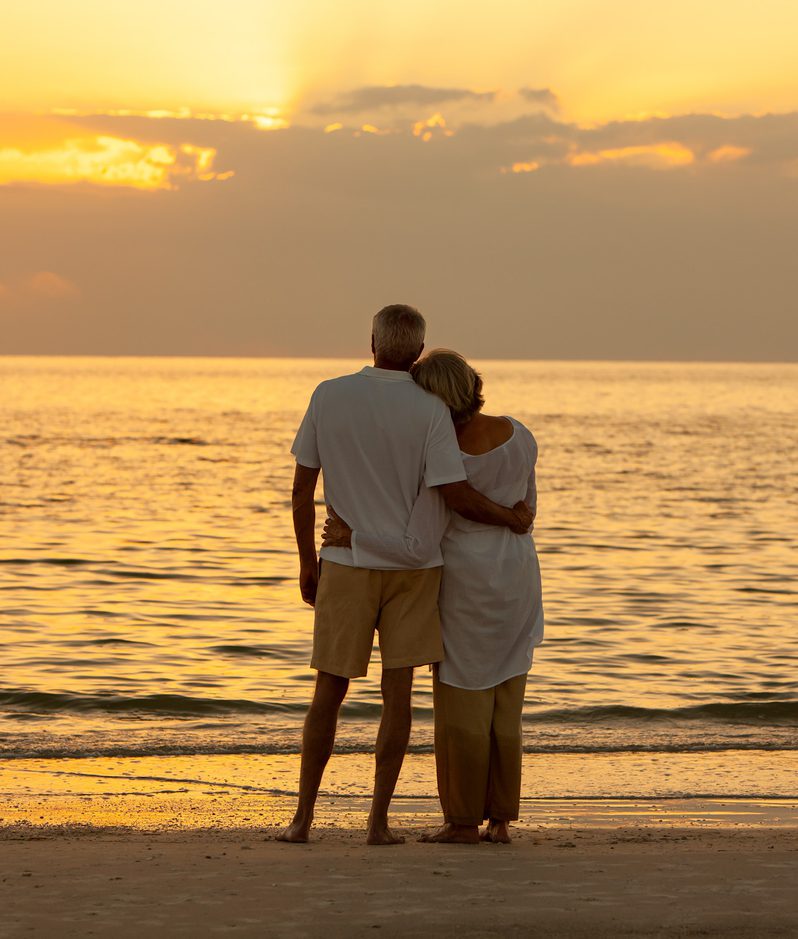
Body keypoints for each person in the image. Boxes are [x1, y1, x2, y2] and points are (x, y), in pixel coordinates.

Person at [278, 307, 533, 846]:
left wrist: (307, 561)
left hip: (346, 565)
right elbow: (448, 491)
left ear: (371, 341)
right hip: (417, 573)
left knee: (328, 691)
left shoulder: (328, 394)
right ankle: (378, 822)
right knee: (399, 696)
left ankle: (302, 820)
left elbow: (303, 491)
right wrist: (513, 517)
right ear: (417, 352)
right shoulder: (432, 411)